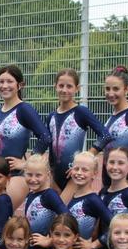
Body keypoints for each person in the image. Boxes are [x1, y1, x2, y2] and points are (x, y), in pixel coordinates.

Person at [0, 64, 51, 209]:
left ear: (19, 85)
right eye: (1, 81)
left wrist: (27, 164)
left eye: (9, 81)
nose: (5, 86)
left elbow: (45, 137)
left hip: (16, 175)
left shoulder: (24, 109)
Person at [40, 68, 111, 197]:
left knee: (63, 211)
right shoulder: (51, 116)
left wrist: (86, 157)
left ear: (76, 88)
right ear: (55, 86)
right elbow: (49, 145)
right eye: (61, 86)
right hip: (55, 177)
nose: (64, 90)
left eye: (69, 86)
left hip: (73, 175)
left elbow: (105, 135)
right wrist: (49, 172)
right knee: (58, 215)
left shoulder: (81, 112)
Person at [22, 153, 68, 249]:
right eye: (29, 174)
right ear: (24, 173)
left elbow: (67, 217)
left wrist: (51, 240)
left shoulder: (49, 195)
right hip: (31, 247)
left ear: (47, 175)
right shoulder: (30, 194)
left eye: (38, 175)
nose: (33, 179)